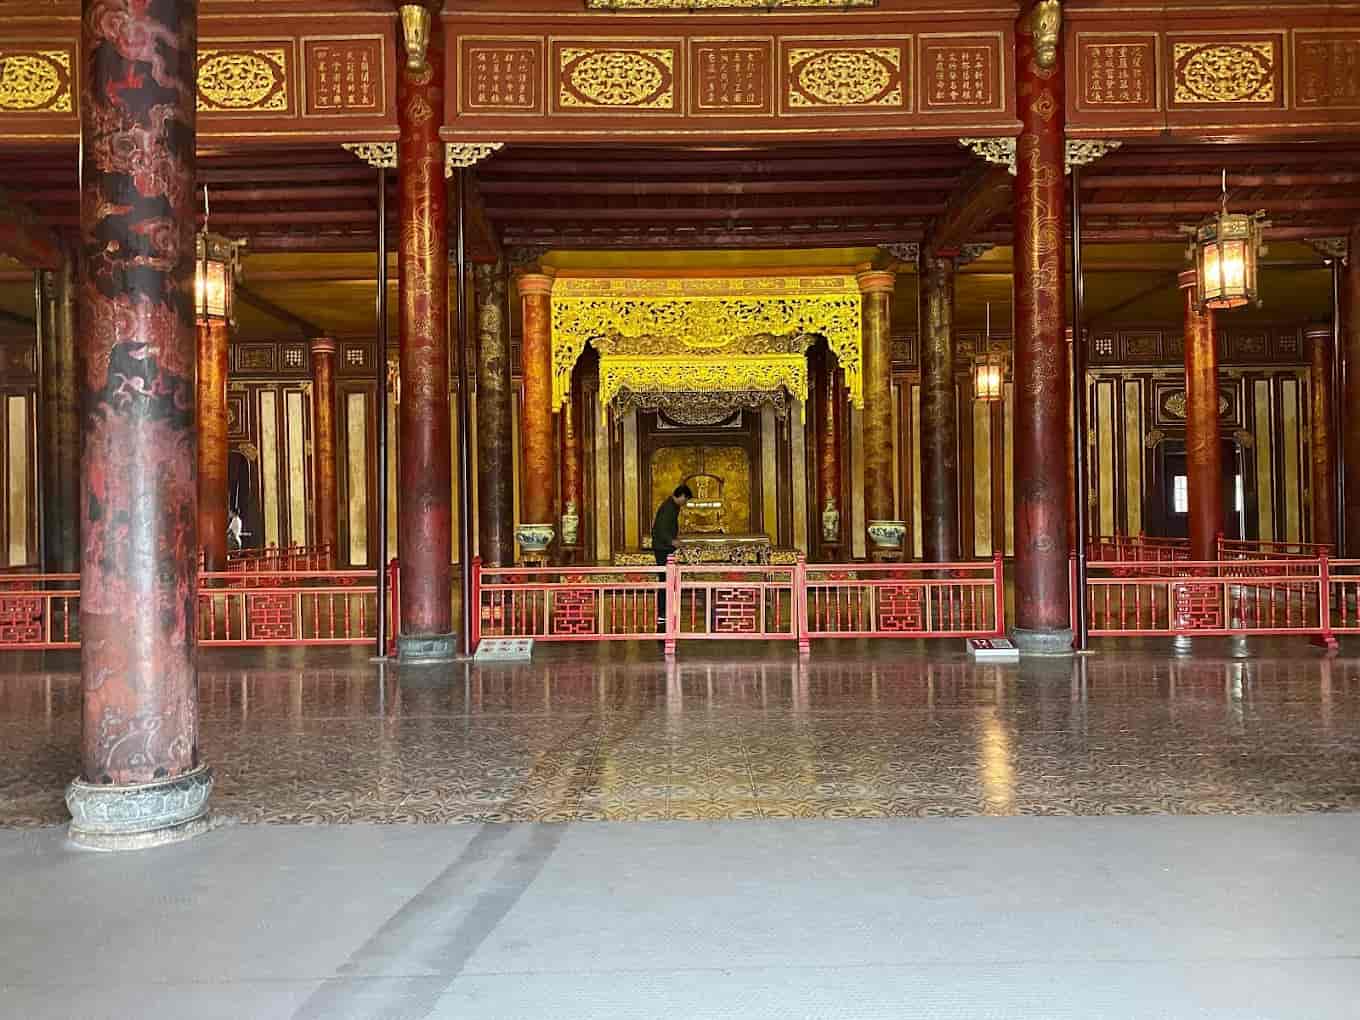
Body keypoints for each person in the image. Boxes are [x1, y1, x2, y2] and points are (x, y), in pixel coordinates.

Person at [651, 484, 693, 629]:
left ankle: (665, 611)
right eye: (685, 500)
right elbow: (660, 530)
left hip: (665, 548)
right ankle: (663, 613)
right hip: (662, 549)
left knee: (668, 581)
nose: (685, 503)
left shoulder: (673, 507)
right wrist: (672, 541)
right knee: (665, 581)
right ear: (681, 496)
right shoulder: (668, 508)